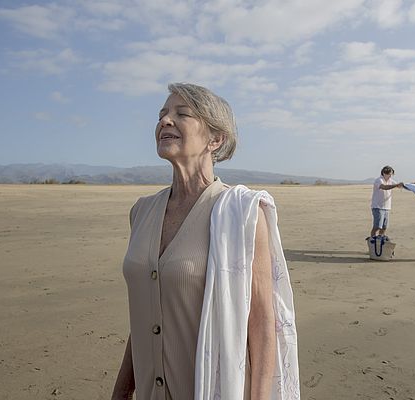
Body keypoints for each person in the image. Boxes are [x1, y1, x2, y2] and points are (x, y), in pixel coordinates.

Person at [111, 83, 299, 400]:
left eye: (181, 113)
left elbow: (262, 323)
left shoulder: (242, 214)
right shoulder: (141, 211)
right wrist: (121, 391)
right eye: (162, 115)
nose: (165, 121)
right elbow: (147, 313)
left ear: (215, 139)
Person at [370, 165, 404, 238]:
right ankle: (373, 241)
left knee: (384, 227)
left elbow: (399, 185)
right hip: (377, 207)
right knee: (377, 226)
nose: (391, 176)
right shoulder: (379, 180)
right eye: (390, 174)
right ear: (385, 173)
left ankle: (380, 240)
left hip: (387, 207)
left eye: (391, 174)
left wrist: (411, 186)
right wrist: (396, 185)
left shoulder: (390, 181)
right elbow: (384, 187)